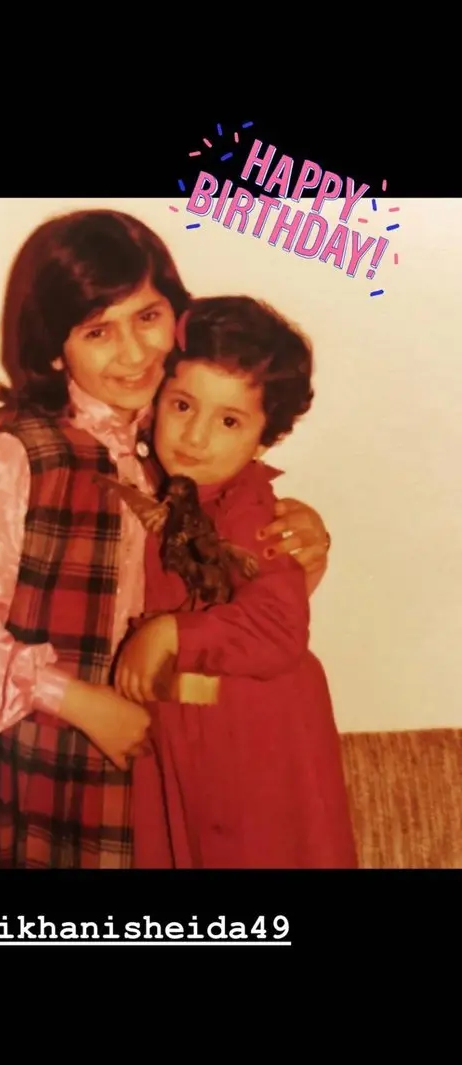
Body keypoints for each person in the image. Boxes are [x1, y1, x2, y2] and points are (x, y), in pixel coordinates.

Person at [0, 209, 333, 869]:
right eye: (98, 331)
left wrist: (306, 540)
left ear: (178, 315)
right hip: (38, 758)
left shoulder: (177, 438)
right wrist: (81, 703)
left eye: (147, 317)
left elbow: (227, 589)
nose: (135, 351)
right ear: (55, 348)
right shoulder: (15, 454)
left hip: (148, 768)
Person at [115, 295, 357, 869]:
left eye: (228, 421)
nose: (195, 437)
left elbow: (280, 626)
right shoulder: (154, 492)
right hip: (186, 732)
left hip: (258, 739)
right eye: (182, 405)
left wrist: (172, 633)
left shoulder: (251, 512)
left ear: (264, 438)